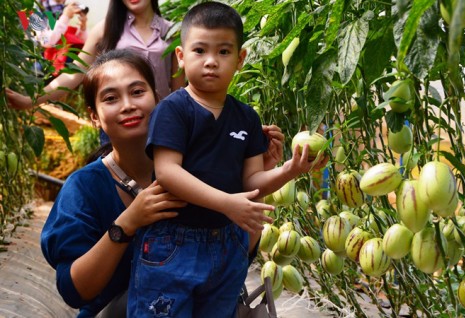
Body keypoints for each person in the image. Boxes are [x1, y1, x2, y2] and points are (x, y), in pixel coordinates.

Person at [40, 49, 286, 317]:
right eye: (111, 98)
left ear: (158, 99)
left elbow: (239, 254)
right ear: (94, 116)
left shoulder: (204, 173)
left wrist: (257, 176)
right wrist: (127, 224)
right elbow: (74, 290)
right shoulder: (84, 188)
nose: (127, 105)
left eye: (137, 92)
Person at [127, 2, 327, 317]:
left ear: (240, 59)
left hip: (226, 244)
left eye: (223, 52)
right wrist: (227, 203)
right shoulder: (173, 110)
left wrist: (290, 169)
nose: (211, 62)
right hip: (173, 243)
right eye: (199, 51)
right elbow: (167, 172)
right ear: (181, 57)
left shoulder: (246, 117)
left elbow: (251, 181)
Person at [7, 0, 185, 111]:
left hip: (161, 123)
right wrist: (29, 101)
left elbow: (178, 89)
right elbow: (73, 74)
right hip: (120, 124)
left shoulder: (171, 32)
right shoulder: (105, 29)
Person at [37, 1, 88, 76]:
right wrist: (65, 17)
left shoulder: (66, 8)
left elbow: (82, 44)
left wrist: (83, 28)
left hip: (64, 61)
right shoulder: (35, 8)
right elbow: (45, 41)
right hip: (40, 60)